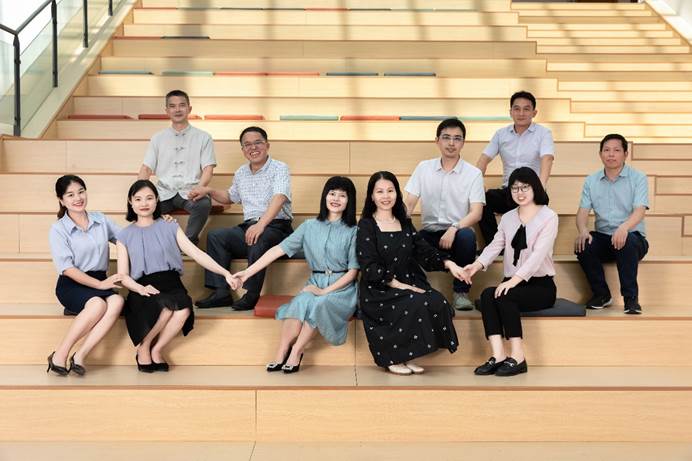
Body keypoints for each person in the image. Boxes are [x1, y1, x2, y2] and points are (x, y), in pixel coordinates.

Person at [230, 176, 359, 374]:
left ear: (349, 201)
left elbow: (353, 272)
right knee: (299, 302)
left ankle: (297, 351)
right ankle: (282, 350)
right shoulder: (309, 226)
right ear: (325, 196)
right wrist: (247, 272)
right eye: (332, 193)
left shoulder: (354, 231)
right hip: (315, 281)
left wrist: (324, 291)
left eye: (342, 195)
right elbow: (277, 250)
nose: (336, 198)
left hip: (342, 288)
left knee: (319, 304)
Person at [116, 180, 235, 372]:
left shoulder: (170, 225)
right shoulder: (124, 235)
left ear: (157, 200)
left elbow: (196, 253)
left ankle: (157, 349)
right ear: (130, 202)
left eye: (149, 198)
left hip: (171, 282)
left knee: (183, 309)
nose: (144, 203)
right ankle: (143, 347)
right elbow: (122, 275)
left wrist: (225, 272)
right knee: (165, 308)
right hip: (143, 286)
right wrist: (140, 288)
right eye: (138, 199)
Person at [357, 171, 466, 376]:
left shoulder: (405, 222)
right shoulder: (366, 225)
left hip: (409, 280)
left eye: (390, 191)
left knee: (437, 301)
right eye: (380, 191)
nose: (386, 196)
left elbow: (424, 252)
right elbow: (368, 265)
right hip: (379, 287)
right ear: (371, 196)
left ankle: (409, 355)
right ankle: (394, 357)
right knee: (414, 301)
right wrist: (398, 284)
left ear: (397, 194)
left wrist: (449, 263)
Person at [461, 167, 558, 377]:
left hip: (540, 286)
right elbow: (495, 246)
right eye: (515, 188)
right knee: (487, 295)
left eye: (525, 187)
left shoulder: (549, 216)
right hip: (512, 283)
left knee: (505, 295)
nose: (519, 192)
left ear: (535, 188)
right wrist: (475, 266)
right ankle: (498, 355)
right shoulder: (508, 218)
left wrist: (513, 281)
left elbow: (537, 257)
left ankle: (518, 357)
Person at [191, 126, 293, 311]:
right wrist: (209, 190)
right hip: (250, 226)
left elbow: (280, 197)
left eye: (258, 143)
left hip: (277, 228)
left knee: (257, 238)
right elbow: (230, 197)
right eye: (247, 145)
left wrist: (261, 225)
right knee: (216, 236)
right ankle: (221, 292)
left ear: (267, 145)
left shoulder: (280, 168)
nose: (253, 148)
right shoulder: (241, 173)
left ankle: (251, 294)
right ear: (243, 150)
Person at [47, 175, 125, 376]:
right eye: (70, 195)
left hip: (99, 279)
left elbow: (127, 238)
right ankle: (59, 355)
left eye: (81, 192)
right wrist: (100, 286)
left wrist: (157, 222)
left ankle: (80, 355)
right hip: (72, 283)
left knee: (117, 301)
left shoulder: (101, 220)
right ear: (61, 200)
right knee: (98, 304)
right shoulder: (58, 229)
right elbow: (67, 269)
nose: (78, 198)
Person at [404, 118, 485, 311]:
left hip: (457, 235)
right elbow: (409, 204)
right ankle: (417, 291)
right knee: (408, 238)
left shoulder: (473, 173)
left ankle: (461, 293)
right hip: (430, 234)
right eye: (446, 137)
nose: (451, 143)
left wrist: (454, 228)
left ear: (463, 142)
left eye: (457, 138)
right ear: (437, 141)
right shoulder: (424, 168)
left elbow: (477, 213)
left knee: (467, 236)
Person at [574, 134, 649, 315]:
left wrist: (624, 228)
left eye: (616, 150)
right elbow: (582, 212)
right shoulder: (591, 180)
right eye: (606, 150)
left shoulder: (638, 178)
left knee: (627, 240)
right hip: (605, 238)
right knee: (583, 244)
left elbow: (640, 210)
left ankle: (631, 299)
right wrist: (583, 230)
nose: (611, 154)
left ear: (625, 154)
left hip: (633, 238)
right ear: (600, 154)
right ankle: (602, 295)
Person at [476, 91, 555, 247]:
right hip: (509, 191)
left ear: (534, 112)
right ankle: (495, 246)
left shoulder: (543, 133)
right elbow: (484, 159)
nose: (521, 113)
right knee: (482, 200)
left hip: (533, 191)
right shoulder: (501, 134)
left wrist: (541, 186)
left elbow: (547, 158)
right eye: (517, 109)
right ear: (510, 112)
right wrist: (477, 184)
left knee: (538, 204)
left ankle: (529, 247)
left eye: (526, 109)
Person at [138, 89, 216, 245]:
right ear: (167, 110)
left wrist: (199, 188)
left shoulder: (204, 137)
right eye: (172, 106)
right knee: (143, 206)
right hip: (163, 191)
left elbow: (208, 168)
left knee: (203, 204)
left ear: (189, 108)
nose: (177, 109)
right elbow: (146, 168)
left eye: (182, 105)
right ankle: (159, 244)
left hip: (190, 191)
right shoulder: (157, 138)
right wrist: (139, 192)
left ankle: (188, 242)